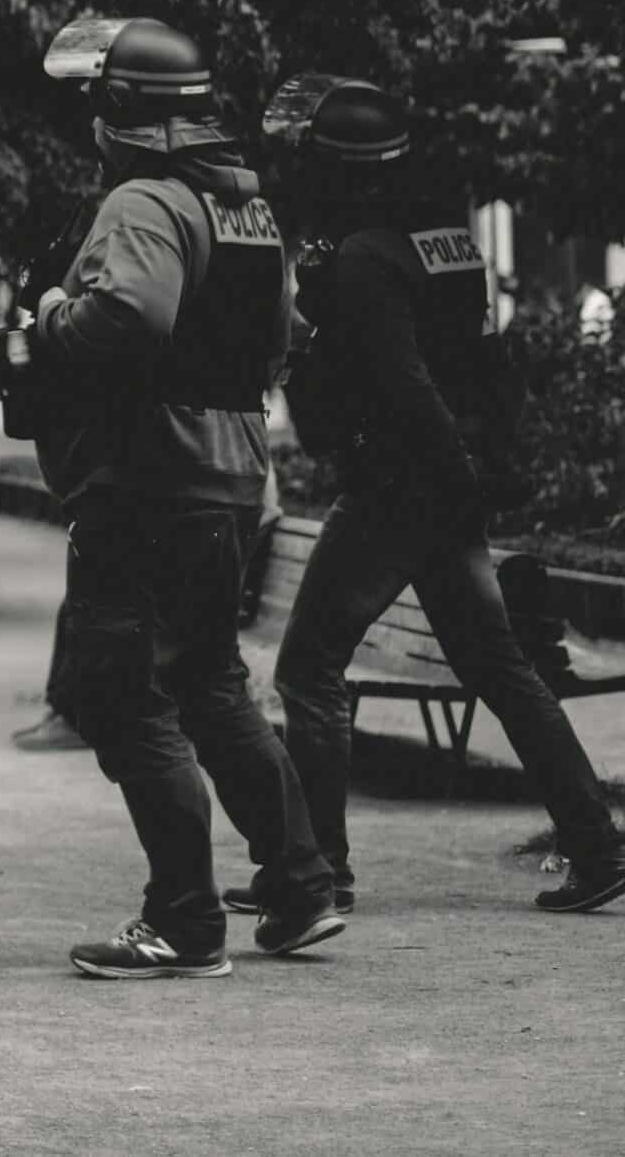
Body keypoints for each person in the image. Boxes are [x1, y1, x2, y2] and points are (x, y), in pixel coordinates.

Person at [2, 17, 341, 979]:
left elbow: (130, 313)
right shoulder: (248, 207)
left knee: (116, 689)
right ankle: (299, 883)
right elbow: (287, 335)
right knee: (206, 678)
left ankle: (184, 920)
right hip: (233, 472)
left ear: (120, 114)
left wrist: (50, 318)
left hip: (149, 479)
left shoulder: (144, 201)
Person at [253, 75, 624, 915]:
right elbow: (480, 362)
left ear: (340, 167)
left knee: (307, 666)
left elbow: (402, 383)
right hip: (449, 486)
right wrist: (474, 480)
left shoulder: (362, 258)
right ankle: (597, 845)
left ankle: (320, 869)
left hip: (398, 486)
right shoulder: (444, 237)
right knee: (499, 664)